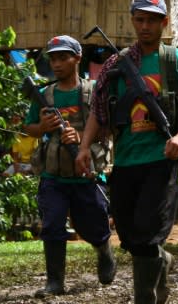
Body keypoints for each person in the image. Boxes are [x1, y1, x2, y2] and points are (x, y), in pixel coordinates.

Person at [75, 0, 178, 304]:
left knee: (147, 231)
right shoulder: (116, 66)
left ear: (164, 22)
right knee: (130, 236)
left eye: (152, 20)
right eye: (140, 20)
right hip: (127, 160)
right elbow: (98, 110)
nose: (145, 26)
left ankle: (142, 298)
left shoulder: (176, 60)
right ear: (133, 21)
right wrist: (83, 148)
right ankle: (162, 260)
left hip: (162, 158)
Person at [23, 35, 115, 297]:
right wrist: (41, 128)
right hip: (54, 173)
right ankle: (55, 282)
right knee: (51, 224)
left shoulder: (94, 90)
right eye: (53, 58)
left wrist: (82, 137)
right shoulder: (44, 95)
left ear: (77, 58)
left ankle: (104, 251)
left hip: (86, 172)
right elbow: (28, 128)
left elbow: (107, 127)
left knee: (93, 225)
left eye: (63, 57)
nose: (57, 63)